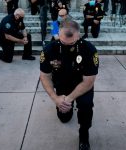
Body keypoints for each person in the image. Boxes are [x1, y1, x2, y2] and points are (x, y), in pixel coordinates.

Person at [40, 20, 99, 150]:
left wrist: (68, 99)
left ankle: (84, 134)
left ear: (78, 36)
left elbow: (89, 81)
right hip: (62, 85)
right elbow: (44, 76)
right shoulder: (49, 49)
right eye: (62, 41)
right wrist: (56, 99)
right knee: (64, 117)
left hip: (82, 85)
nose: (66, 46)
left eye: (71, 42)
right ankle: (66, 109)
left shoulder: (89, 50)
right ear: (58, 34)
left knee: (85, 105)